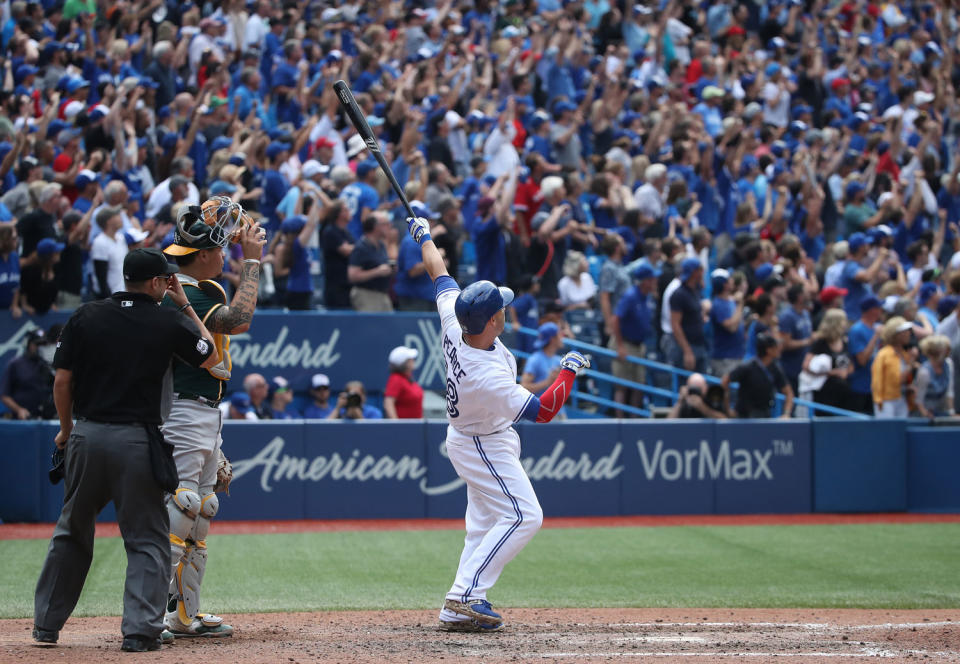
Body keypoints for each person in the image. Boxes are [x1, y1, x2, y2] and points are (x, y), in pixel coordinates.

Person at [403, 213, 590, 633]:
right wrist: (568, 371)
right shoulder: (484, 374)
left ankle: (458, 605)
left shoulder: (457, 320)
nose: (506, 309)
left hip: (477, 434)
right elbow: (543, 411)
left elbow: (439, 271)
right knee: (526, 515)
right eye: (501, 308)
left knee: (484, 526)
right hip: (481, 441)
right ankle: (466, 595)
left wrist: (425, 236)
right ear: (491, 321)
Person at [33, 248, 218, 652]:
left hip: (87, 434)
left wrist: (66, 431)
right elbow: (210, 354)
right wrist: (185, 304)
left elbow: (62, 381)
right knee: (148, 539)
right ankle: (138, 633)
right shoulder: (168, 318)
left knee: (71, 531)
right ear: (156, 284)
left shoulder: (86, 315)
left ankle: (46, 626)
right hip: (137, 441)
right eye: (165, 279)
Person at [159, 199, 266, 638]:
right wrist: (254, 262)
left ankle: (184, 616)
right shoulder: (185, 290)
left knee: (202, 512)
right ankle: (148, 614)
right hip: (180, 409)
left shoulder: (195, 285)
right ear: (202, 255)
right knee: (181, 510)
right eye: (221, 251)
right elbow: (239, 319)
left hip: (203, 411)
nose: (226, 257)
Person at [610, 261, 659, 415]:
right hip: (625, 343)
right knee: (622, 385)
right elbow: (616, 319)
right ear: (645, 281)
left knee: (639, 385)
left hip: (639, 345)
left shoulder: (648, 297)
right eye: (652, 279)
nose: (654, 282)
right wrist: (620, 346)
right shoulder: (631, 295)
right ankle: (620, 422)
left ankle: (634, 419)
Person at [723, 333, 794, 419]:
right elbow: (725, 381)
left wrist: (786, 414)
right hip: (744, 416)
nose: (779, 349)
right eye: (776, 346)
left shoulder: (775, 368)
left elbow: (788, 392)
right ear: (769, 350)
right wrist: (728, 409)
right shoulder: (747, 367)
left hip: (765, 415)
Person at [799, 309, 854, 414]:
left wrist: (846, 372)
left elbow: (851, 365)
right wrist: (831, 373)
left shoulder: (845, 342)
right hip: (824, 393)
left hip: (843, 392)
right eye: (843, 321)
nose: (845, 324)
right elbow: (806, 366)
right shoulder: (820, 343)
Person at [0, 329, 55, 419]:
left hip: (46, 417)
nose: (39, 348)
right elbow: (4, 395)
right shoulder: (15, 364)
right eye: (36, 344)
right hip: (23, 418)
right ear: (28, 344)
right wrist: (19, 410)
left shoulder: (49, 365)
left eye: (42, 345)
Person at [347, 212, 395, 312]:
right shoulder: (361, 247)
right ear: (375, 227)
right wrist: (377, 271)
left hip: (383, 295)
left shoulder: (381, 245)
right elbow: (352, 276)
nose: (390, 226)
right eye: (386, 224)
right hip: (366, 295)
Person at [871, 316, 917, 418]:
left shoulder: (904, 354)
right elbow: (896, 380)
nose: (909, 333)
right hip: (886, 401)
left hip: (902, 399)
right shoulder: (884, 355)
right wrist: (879, 401)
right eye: (904, 331)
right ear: (896, 335)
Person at [668, 257, 708, 372]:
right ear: (694, 272)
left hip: (699, 345)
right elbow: (675, 324)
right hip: (687, 348)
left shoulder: (695, 290)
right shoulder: (679, 294)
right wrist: (687, 351)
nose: (702, 272)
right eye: (700, 269)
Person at [847, 296, 884, 414]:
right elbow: (862, 360)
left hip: (875, 386)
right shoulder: (857, 330)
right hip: (860, 386)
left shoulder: (876, 328)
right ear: (871, 310)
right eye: (878, 308)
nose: (881, 311)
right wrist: (876, 337)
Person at [914, 335, 955, 418]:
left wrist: (951, 412)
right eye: (946, 349)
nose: (949, 351)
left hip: (942, 413)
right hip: (926, 415)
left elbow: (949, 392)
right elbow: (919, 400)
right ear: (937, 352)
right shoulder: (924, 373)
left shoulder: (949, 365)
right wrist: (926, 415)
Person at [383, 346, 424, 419]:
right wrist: (397, 426)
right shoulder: (396, 379)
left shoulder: (408, 379)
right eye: (410, 359)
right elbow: (388, 403)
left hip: (416, 427)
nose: (413, 360)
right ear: (404, 363)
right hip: (404, 428)